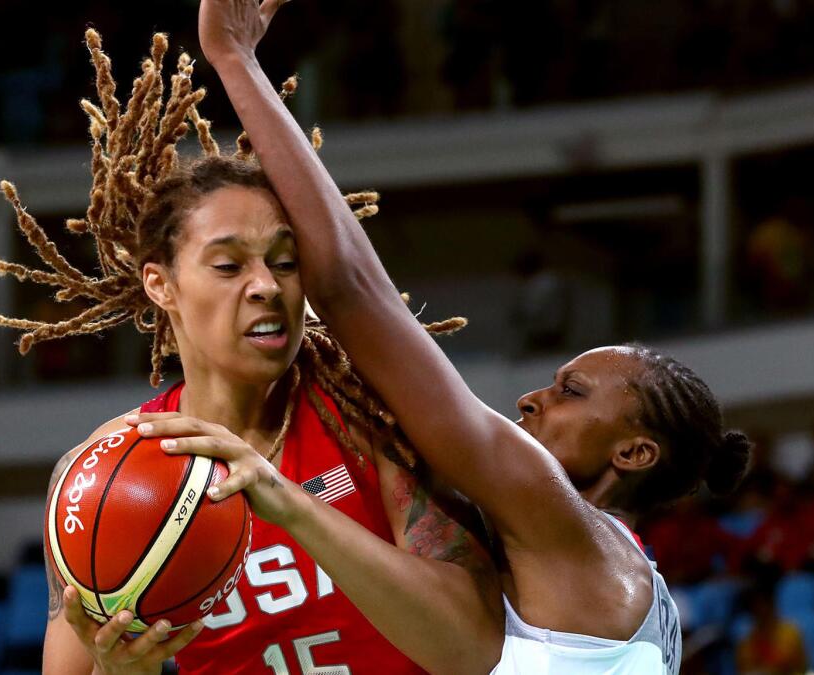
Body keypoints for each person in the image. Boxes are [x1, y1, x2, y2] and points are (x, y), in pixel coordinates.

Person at [134, 2, 752, 672]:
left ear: (632, 452)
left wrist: (234, 58)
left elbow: (351, 290)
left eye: (572, 392)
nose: (533, 398)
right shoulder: (618, 579)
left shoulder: (554, 513)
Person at [0, 30, 499, 675]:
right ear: (161, 285)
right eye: (228, 266)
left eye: (285, 262)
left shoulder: (371, 416)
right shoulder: (108, 472)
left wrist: (291, 505)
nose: (266, 286)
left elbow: (474, 650)